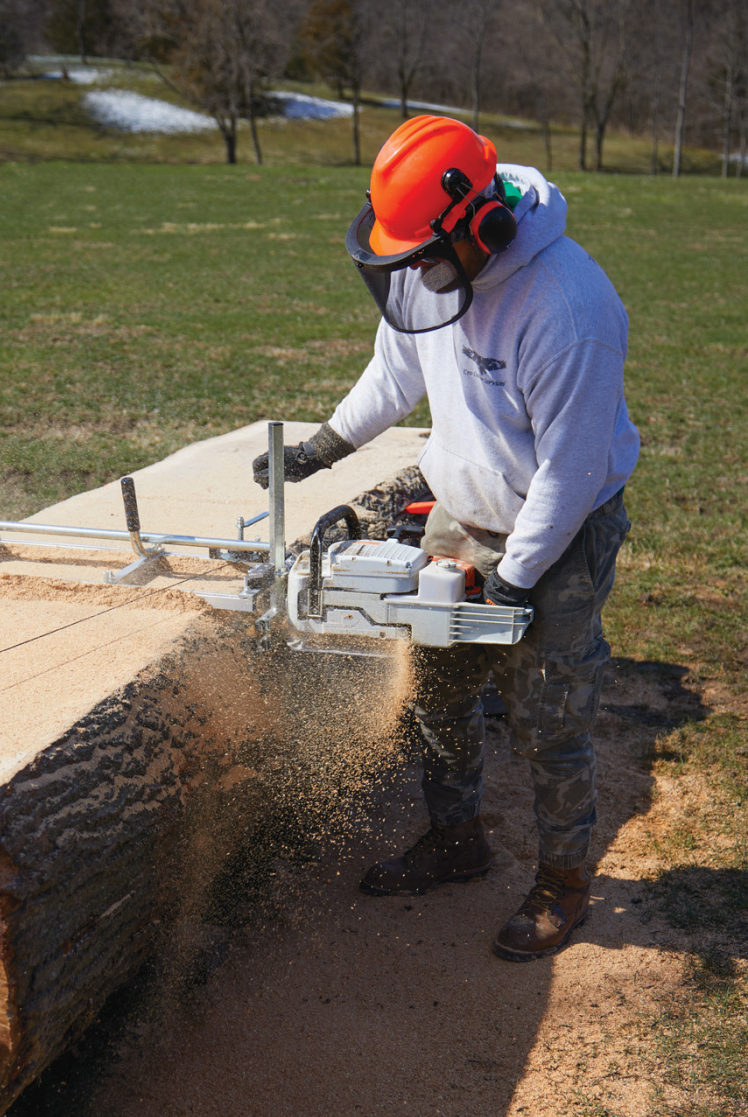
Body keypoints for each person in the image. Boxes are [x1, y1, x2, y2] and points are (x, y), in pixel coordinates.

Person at [252, 115, 638, 962]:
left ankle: (563, 881)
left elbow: (571, 475)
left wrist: (517, 577)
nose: (415, 273)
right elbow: (397, 369)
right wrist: (324, 447)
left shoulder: (567, 308)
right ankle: (456, 838)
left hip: (559, 530)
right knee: (439, 686)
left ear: (484, 228)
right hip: (465, 512)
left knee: (549, 713)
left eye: (424, 256)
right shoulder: (436, 264)